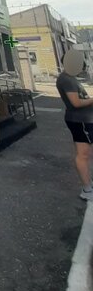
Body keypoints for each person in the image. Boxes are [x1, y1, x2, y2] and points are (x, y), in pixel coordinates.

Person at [56, 49, 93, 201]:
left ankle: (88, 185)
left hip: (84, 119)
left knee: (86, 153)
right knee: (83, 154)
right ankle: (87, 189)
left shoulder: (70, 78)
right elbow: (76, 103)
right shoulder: (66, 80)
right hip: (80, 120)